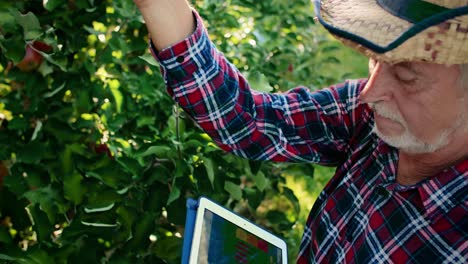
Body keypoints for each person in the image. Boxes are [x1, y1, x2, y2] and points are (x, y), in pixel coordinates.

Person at [133, 0, 468, 263]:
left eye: (407, 76)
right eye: (374, 60)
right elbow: (248, 121)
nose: (370, 92)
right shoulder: (369, 120)